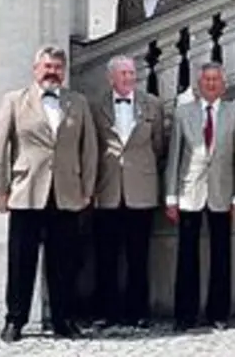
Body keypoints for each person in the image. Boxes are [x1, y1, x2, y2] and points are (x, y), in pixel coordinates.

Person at [0, 46, 97, 343]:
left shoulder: (78, 103)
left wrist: (87, 188)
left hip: (66, 193)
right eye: (47, 66)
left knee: (64, 263)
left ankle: (63, 320)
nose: (52, 72)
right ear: (36, 69)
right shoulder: (14, 101)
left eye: (58, 67)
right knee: (21, 262)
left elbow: (89, 149)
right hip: (26, 192)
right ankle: (15, 320)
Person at [165, 62, 235, 331]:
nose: (211, 84)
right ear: (199, 85)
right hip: (189, 191)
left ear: (224, 84)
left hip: (222, 193)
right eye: (207, 80)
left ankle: (218, 313)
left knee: (221, 255)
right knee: (187, 256)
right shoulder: (182, 113)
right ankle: (184, 315)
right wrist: (171, 197)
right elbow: (174, 157)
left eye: (216, 80)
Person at [91, 56, 170, 329]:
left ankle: (139, 311)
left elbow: (159, 146)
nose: (129, 78)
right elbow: (93, 148)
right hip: (108, 190)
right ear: (111, 77)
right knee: (106, 256)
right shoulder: (96, 106)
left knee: (139, 256)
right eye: (123, 73)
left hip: (141, 189)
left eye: (132, 73)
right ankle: (107, 311)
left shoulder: (154, 105)